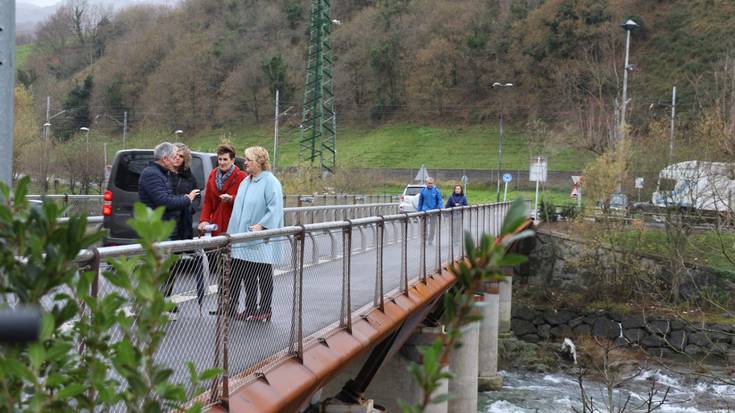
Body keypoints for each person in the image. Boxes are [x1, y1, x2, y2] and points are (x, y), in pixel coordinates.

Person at [138, 142, 200, 319]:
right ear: (164, 159)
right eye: (174, 157)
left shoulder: (162, 173)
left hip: (167, 229)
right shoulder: (152, 174)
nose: (176, 160)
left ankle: (160, 305)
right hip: (157, 231)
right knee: (158, 270)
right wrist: (187, 199)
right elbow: (164, 200)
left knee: (166, 269)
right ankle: (151, 308)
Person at [227, 146, 283, 322]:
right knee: (248, 274)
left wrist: (262, 225)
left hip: (261, 239)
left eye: (248, 160)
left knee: (263, 273)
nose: (245, 162)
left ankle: (265, 308)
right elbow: (238, 211)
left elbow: (275, 209)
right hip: (243, 238)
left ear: (259, 162)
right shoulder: (246, 182)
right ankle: (250, 307)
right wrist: (232, 234)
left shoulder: (270, 181)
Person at [198, 144, 247, 237]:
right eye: (220, 159)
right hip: (216, 225)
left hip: (234, 225)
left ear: (232, 160)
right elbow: (208, 202)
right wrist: (204, 220)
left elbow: (247, 202)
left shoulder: (242, 177)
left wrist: (231, 199)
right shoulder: (213, 175)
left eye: (225, 159)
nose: (222, 162)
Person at [170, 143, 199, 241]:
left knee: (184, 251)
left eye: (181, 156)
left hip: (185, 224)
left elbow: (197, 196)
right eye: (175, 155)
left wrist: (190, 208)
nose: (177, 158)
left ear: (185, 159)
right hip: (168, 222)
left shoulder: (189, 177)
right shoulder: (163, 174)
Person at [417, 177, 443, 244]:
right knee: (424, 226)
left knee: (432, 227)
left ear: (433, 183)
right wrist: (419, 211)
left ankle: (430, 239)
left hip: (433, 211)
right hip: (424, 211)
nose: (430, 184)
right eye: (429, 183)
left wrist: (440, 208)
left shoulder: (436, 191)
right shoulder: (423, 191)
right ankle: (424, 238)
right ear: (426, 183)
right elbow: (420, 202)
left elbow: (439, 200)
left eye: (431, 183)